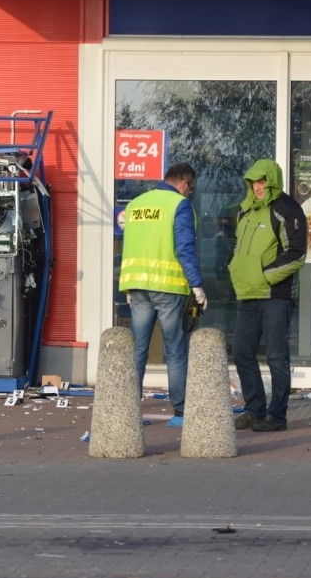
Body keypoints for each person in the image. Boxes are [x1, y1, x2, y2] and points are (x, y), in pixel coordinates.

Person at [119, 162, 208, 428]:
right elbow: (184, 248)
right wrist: (197, 285)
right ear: (183, 182)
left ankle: (129, 411)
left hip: (138, 287)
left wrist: (128, 286)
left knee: (138, 350)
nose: (189, 193)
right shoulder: (178, 206)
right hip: (168, 288)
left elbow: (131, 244)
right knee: (175, 352)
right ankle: (180, 412)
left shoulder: (136, 205)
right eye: (190, 188)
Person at [228, 158, 307, 432]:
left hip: (275, 296)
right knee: (241, 352)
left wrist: (263, 275)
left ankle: (277, 416)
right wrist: (237, 271)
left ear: (271, 181)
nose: (257, 187)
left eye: (262, 181)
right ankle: (254, 410)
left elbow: (297, 254)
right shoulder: (245, 211)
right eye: (253, 182)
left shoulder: (288, 209)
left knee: (276, 356)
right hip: (248, 295)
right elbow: (238, 248)